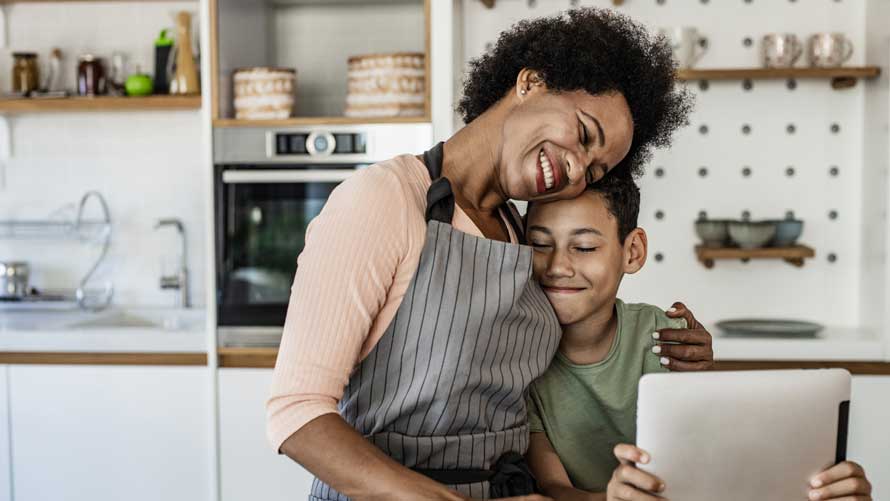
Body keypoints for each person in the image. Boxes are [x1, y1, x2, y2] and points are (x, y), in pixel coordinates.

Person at [266, 8, 707, 501]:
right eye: (583, 134)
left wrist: (671, 349)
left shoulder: (523, 235)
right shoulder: (384, 199)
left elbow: (575, 352)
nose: (577, 169)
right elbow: (298, 412)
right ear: (532, 81)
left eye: (595, 171)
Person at [522, 175, 873, 501]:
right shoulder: (517, 353)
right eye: (539, 244)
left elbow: (707, 464)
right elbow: (553, 488)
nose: (557, 266)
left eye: (583, 247)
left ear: (633, 252)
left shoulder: (662, 335)